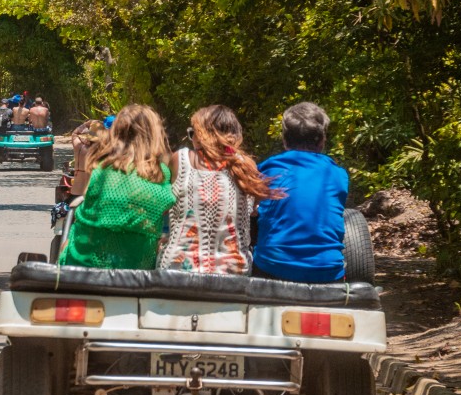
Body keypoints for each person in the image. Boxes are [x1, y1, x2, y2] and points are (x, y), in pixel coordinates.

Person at [159, 105, 279, 275]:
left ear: (202, 135)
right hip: (233, 273)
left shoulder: (181, 159)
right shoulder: (244, 165)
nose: (191, 139)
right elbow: (252, 212)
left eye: (193, 133)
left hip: (178, 270)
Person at [59, 104, 176, 270]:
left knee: (65, 245)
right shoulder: (161, 173)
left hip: (84, 263)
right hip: (138, 266)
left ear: (117, 133)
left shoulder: (102, 167)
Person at [252, 102, 347, 283]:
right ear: (321, 141)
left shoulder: (267, 169)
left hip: (272, 267)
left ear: (285, 140)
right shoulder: (338, 175)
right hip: (326, 271)